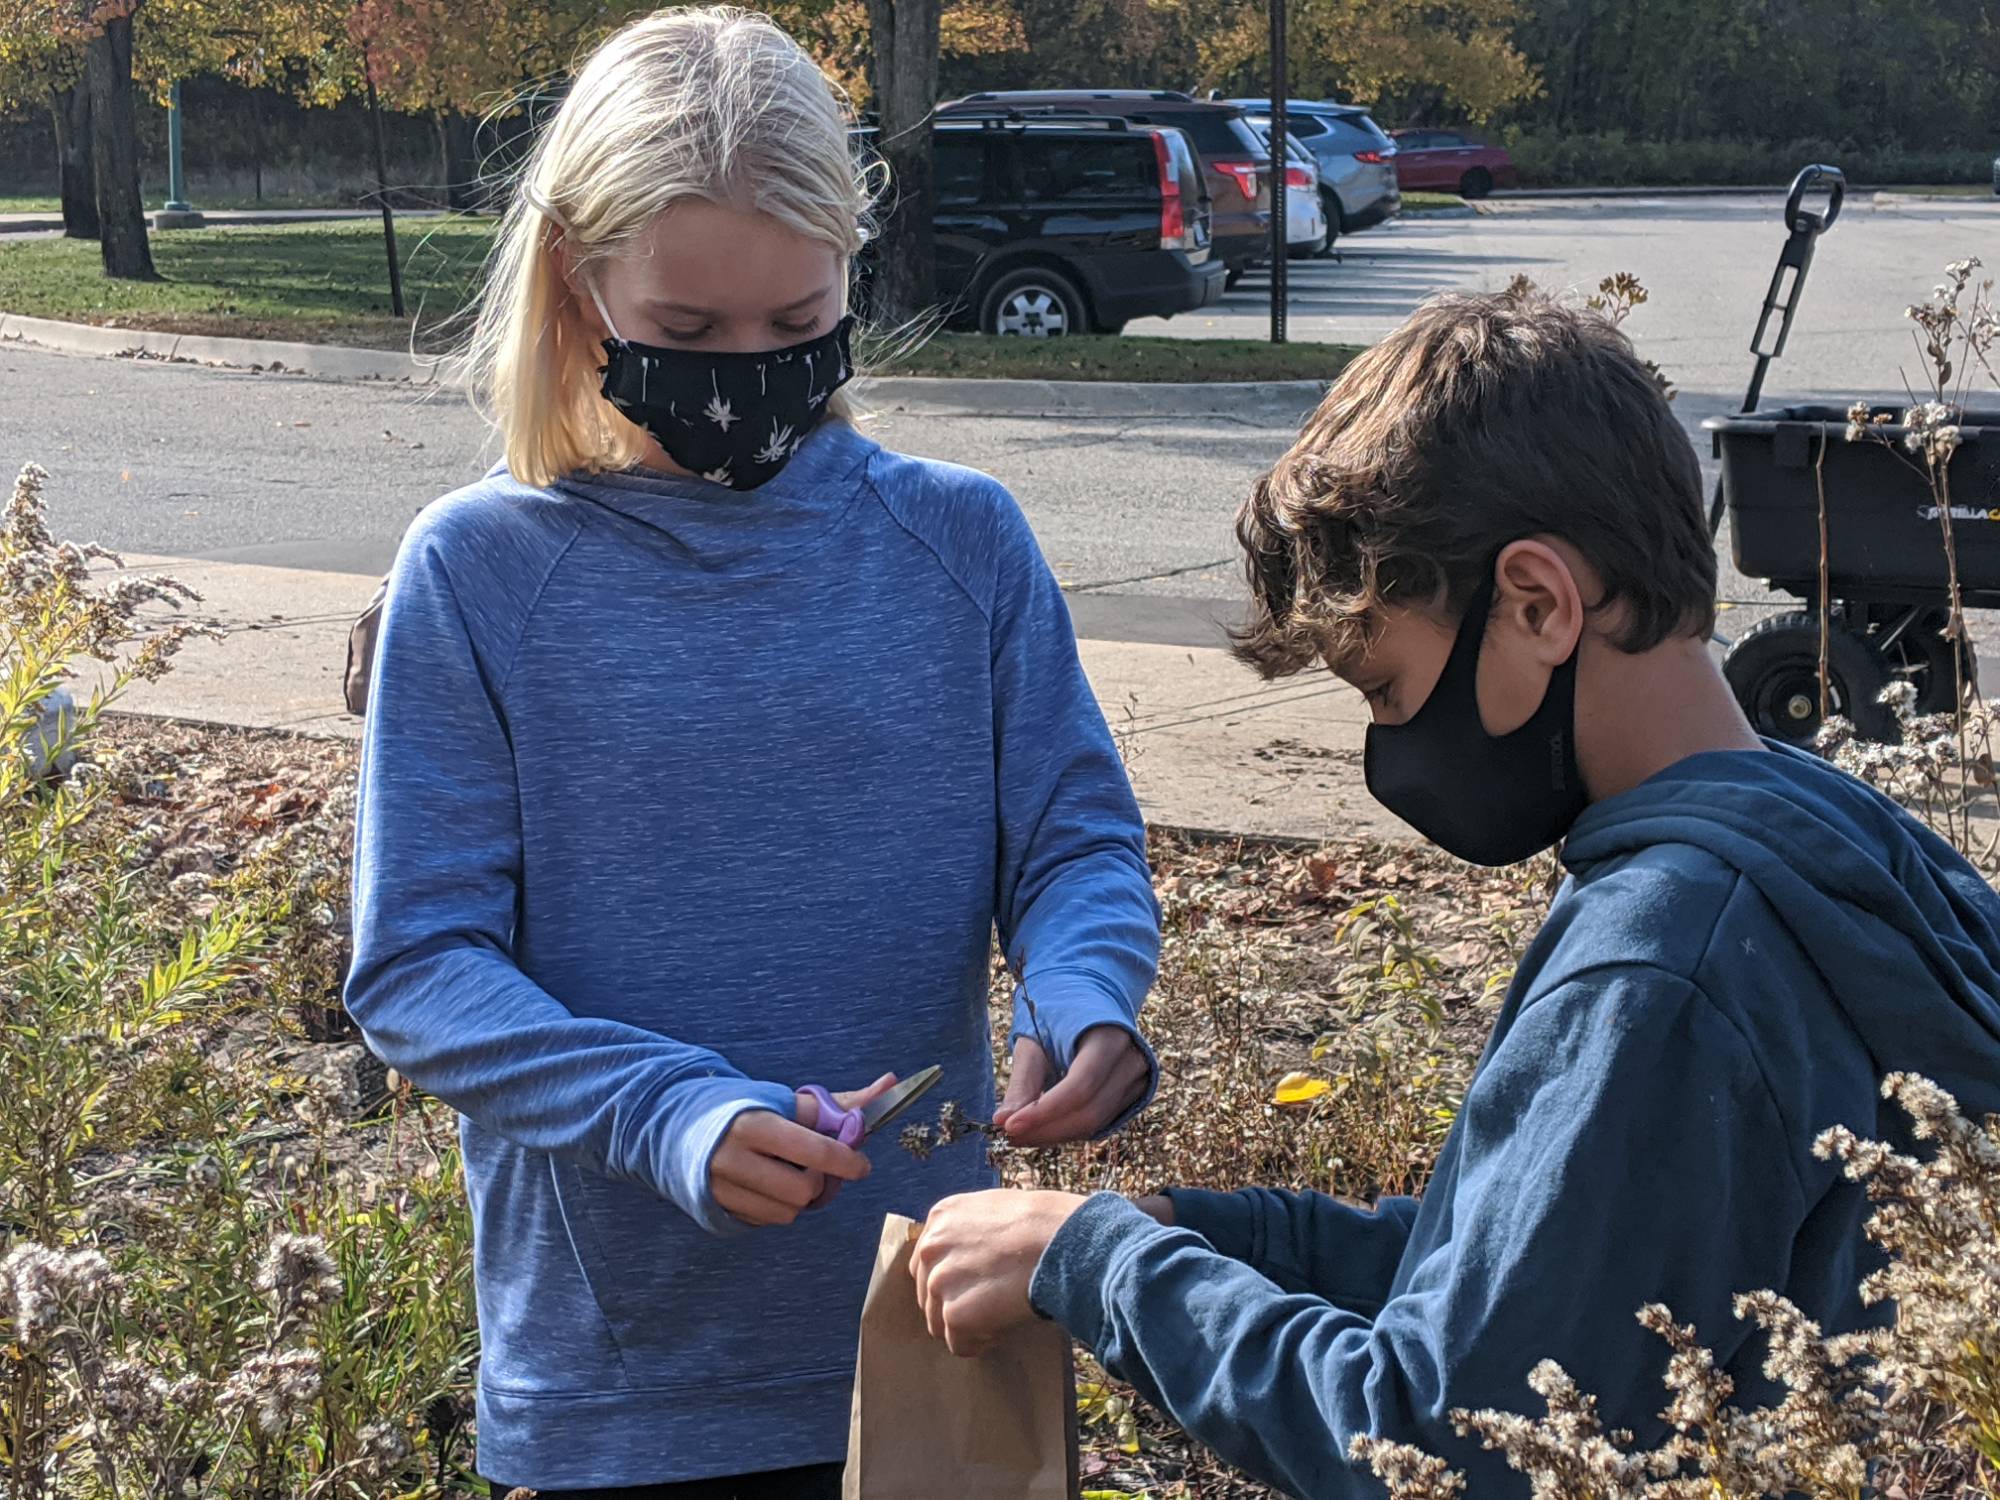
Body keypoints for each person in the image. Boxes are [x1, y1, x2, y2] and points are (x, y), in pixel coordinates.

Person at [908, 290, 2000, 1497]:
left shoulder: (1661, 962)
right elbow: (1541, 1274)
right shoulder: (1827, 839)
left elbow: (1439, 1441)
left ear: (1536, 604)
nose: (1387, 751)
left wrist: (1103, 1265)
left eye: (1383, 687)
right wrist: (1222, 1236)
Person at [343, 9, 1160, 1496]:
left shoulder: (958, 542)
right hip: (621, 1388)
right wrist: (670, 1113)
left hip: (933, 1331)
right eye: (692, 333)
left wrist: (1088, 995)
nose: (748, 376)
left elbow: (1071, 842)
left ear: (854, 268)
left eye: (797, 328)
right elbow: (418, 967)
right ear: (581, 286)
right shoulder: (476, 573)